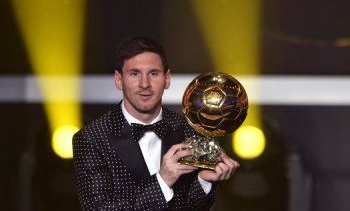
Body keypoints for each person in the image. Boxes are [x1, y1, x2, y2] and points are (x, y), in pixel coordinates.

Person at [73, 36, 239, 210]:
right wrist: (162, 181)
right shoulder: (91, 139)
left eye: (153, 73)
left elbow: (190, 206)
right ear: (119, 79)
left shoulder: (190, 130)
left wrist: (203, 181)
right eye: (134, 74)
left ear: (167, 79)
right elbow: (97, 208)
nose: (145, 84)